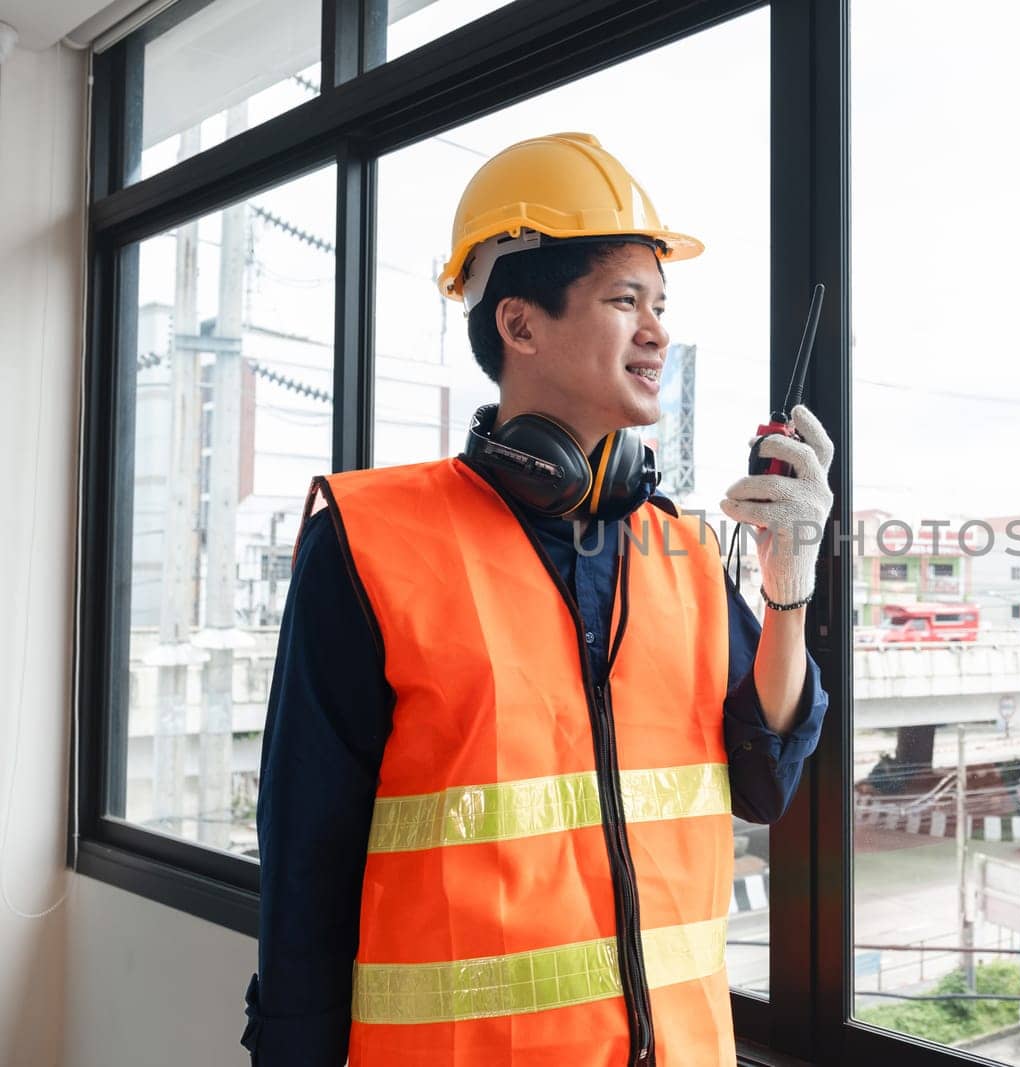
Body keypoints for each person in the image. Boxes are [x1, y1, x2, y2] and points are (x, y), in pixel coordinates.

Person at [241, 132, 833, 1067]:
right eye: (624, 300)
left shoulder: (678, 547)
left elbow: (765, 780)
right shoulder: (368, 540)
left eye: (662, 305)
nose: (657, 332)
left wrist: (788, 586)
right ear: (519, 325)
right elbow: (305, 856)